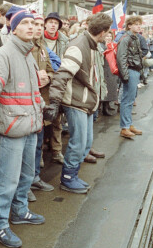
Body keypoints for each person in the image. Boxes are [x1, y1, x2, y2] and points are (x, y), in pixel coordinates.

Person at [0, 10, 45, 248]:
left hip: (30, 127)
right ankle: (0, 225)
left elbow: (33, 91)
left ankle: (19, 211)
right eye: (24, 23)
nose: (30, 27)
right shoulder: (4, 54)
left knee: (26, 176)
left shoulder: (29, 54)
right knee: (7, 180)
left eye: (33, 23)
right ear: (13, 28)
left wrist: (43, 106)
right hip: (12, 129)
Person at [45, 13, 112, 193]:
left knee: (85, 141)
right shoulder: (79, 46)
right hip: (76, 101)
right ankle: (67, 178)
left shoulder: (92, 44)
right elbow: (62, 74)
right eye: (107, 33)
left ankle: (73, 174)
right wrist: (54, 102)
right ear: (102, 32)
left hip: (86, 101)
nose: (108, 35)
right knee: (78, 142)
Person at [29, 12, 55, 200]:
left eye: (40, 25)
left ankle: (34, 177)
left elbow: (52, 70)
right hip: (27, 104)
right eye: (35, 24)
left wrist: (48, 78)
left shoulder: (43, 47)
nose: (38, 28)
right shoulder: (24, 47)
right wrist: (34, 79)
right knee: (27, 147)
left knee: (38, 144)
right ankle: (25, 183)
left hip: (41, 102)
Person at [44, 11, 69, 164]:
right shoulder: (38, 39)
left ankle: (56, 150)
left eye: (56, 22)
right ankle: (39, 153)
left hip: (58, 83)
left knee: (57, 120)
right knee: (41, 120)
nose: (53, 25)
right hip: (42, 83)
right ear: (45, 24)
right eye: (50, 22)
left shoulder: (64, 41)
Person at [116, 16, 144, 139]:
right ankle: (125, 127)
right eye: (136, 24)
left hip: (135, 70)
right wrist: (125, 75)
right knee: (127, 100)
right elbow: (121, 57)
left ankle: (129, 124)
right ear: (129, 26)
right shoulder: (126, 39)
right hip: (130, 71)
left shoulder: (135, 38)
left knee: (131, 100)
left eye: (139, 24)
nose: (139, 26)